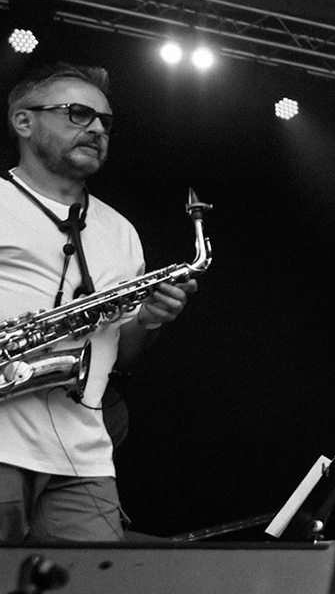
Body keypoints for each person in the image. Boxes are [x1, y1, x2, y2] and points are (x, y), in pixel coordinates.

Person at [0, 61, 194, 542]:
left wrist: (149, 321)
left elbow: (119, 355)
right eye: (77, 114)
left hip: (83, 454)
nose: (95, 129)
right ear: (23, 122)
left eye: (104, 121)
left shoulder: (121, 231)